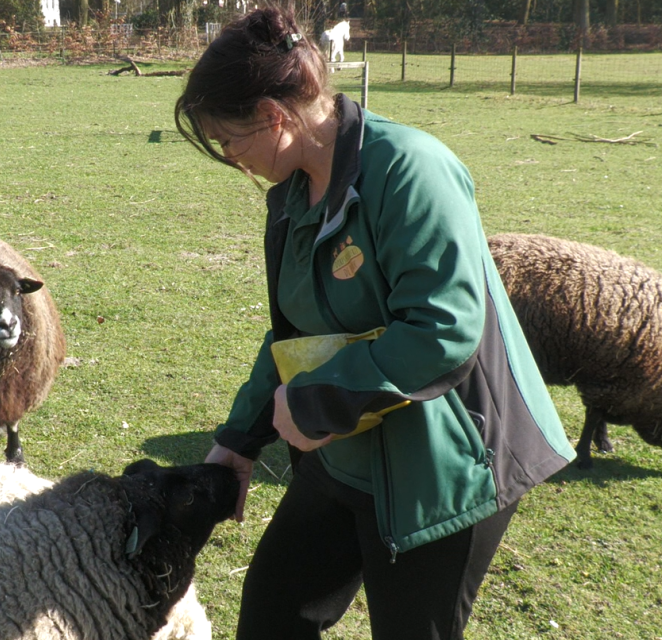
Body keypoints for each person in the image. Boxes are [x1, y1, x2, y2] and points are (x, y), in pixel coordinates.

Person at [174, 8, 576, 640]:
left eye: (230, 141)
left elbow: (443, 333)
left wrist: (310, 404)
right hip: (344, 449)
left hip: (449, 466)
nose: (230, 159)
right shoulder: (291, 190)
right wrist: (239, 438)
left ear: (274, 119)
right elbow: (294, 334)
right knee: (272, 613)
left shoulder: (411, 170)